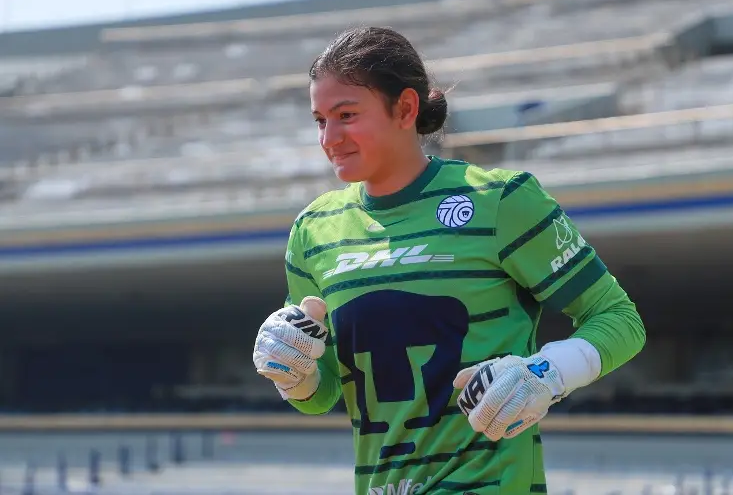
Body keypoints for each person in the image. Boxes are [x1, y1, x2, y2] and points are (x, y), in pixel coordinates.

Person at [253, 26, 646, 495]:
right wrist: (292, 376)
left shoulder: (503, 199)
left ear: (405, 108)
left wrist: (547, 373)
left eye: (346, 115)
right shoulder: (312, 231)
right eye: (320, 120)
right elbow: (324, 395)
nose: (329, 138)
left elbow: (619, 320)